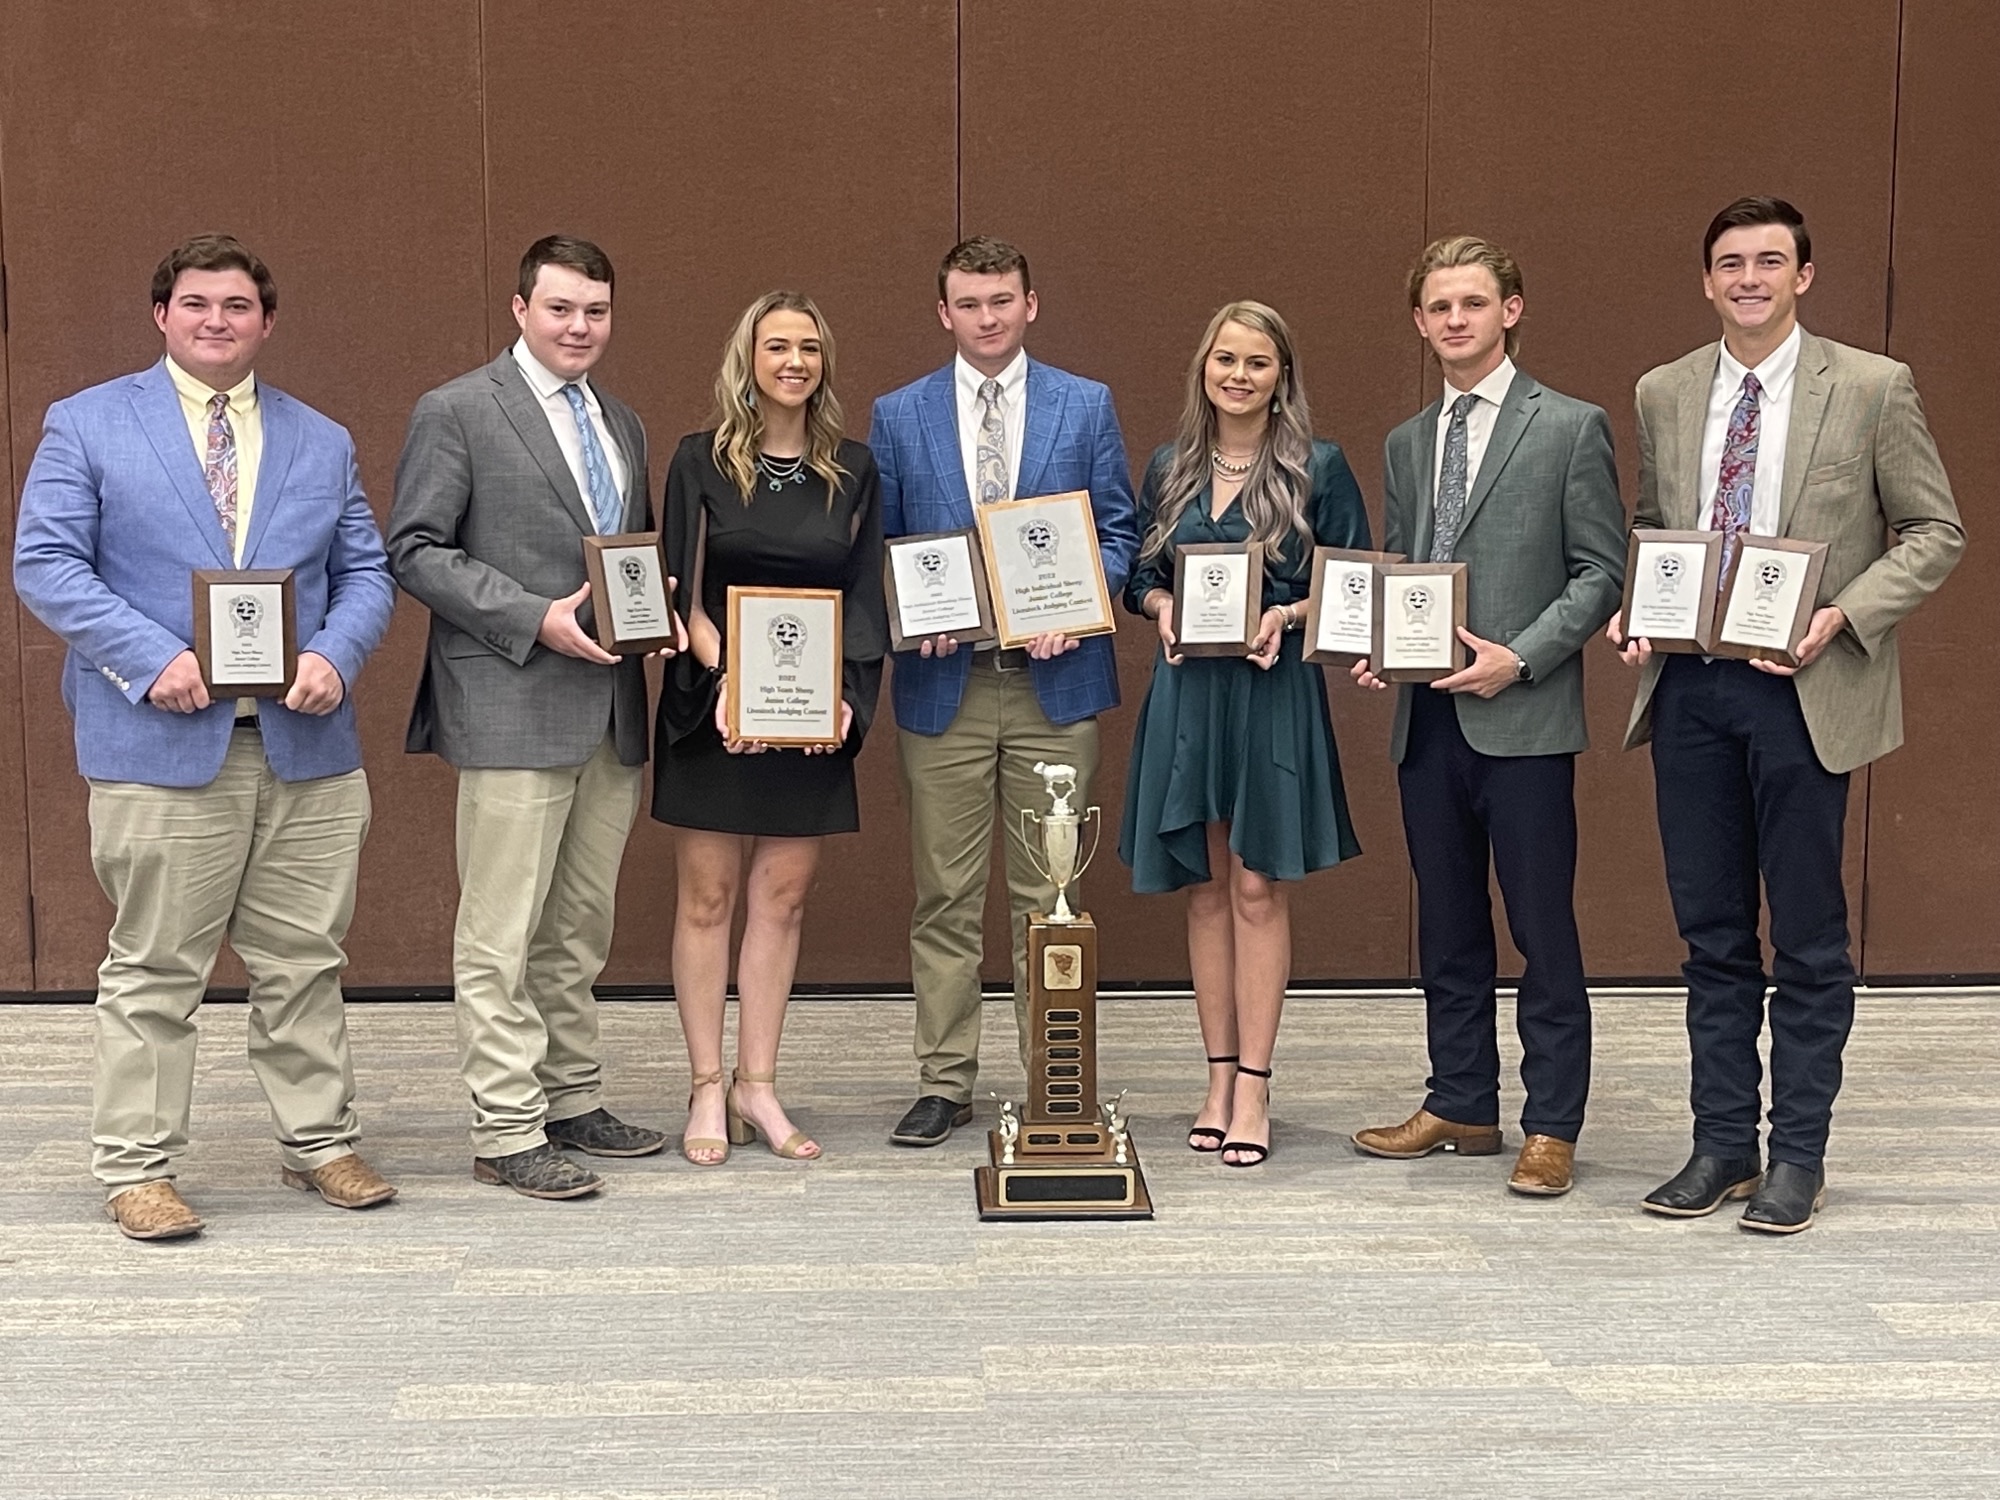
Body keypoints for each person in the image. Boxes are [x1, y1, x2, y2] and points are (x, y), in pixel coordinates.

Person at [13, 233, 397, 1240]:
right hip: (159, 743)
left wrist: (337, 656)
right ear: (161, 315)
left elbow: (365, 572)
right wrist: (149, 657)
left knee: (305, 958)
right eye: (195, 304)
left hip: (303, 747)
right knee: (153, 966)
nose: (215, 321)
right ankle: (137, 1166)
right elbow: (47, 562)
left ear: (266, 322)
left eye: (236, 306)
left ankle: (320, 1142)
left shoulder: (321, 439)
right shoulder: (88, 424)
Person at [1612, 196, 1963, 1234]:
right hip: (1687, 690)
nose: (1749, 278)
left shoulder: (1868, 386)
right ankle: (1721, 1141)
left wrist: (1839, 615)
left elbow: (1932, 530)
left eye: (1770, 262)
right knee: (1710, 932)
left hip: (1803, 687)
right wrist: (1641, 605)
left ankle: (1794, 1156)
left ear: (1802, 276)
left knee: (1805, 936)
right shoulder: (1664, 391)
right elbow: (1650, 524)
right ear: (1705, 281)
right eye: (1729, 263)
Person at [386, 235, 680, 1201]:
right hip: (511, 697)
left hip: (608, 707)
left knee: (579, 926)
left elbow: (618, 559)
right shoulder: (459, 410)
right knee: (500, 931)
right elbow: (417, 549)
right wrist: (534, 617)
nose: (579, 328)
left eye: (595, 312)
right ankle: (506, 1127)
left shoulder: (623, 422)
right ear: (520, 309)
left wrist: (655, 610)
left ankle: (570, 1096)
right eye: (560, 310)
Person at [1349, 235, 1625, 1197]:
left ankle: (1553, 1123)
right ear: (1420, 322)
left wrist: (1524, 658)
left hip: (1528, 719)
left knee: (1542, 928)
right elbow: (1401, 567)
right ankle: (1461, 1099)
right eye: (1438, 307)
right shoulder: (1407, 441)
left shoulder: (1570, 426)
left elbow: (1602, 571)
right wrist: (1383, 641)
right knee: (1450, 927)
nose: (1455, 319)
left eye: (1473, 302)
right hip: (1426, 724)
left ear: (1511, 308)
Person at [868, 235, 1138, 1146]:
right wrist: (918, 610)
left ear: (1032, 303)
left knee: (1050, 896)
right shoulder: (898, 414)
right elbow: (888, 545)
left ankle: (1053, 1081)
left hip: (1053, 685)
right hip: (944, 684)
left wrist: (1082, 599)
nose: (988, 318)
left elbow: (1119, 531)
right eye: (969, 304)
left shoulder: (1085, 404)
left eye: (1003, 300)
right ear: (944, 313)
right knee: (943, 894)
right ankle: (944, 1080)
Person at [1119, 301, 1369, 1166]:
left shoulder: (1318, 468)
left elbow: (1355, 584)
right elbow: (1140, 578)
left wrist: (1286, 613)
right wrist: (1159, 609)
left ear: (1281, 377)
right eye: (1224, 359)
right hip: (1188, 693)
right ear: (1203, 369)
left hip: (1270, 694)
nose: (1238, 375)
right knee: (1206, 891)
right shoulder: (1171, 467)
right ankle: (1217, 1076)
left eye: (1257, 362)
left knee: (1259, 888)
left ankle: (1256, 1084)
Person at [656, 291, 886, 1165]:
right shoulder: (698, 460)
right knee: (708, 898)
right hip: (717, 707)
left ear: (825, 363)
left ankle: (759, 1084)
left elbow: (862, 595)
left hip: (814, 714)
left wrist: (843, 701)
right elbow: (680, 589)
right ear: (747, 359)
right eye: (777, 346)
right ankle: (707, 1088)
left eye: (810, 348)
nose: (794, 361)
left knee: (782, 901)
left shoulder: (854, 468)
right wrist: (729, 679)